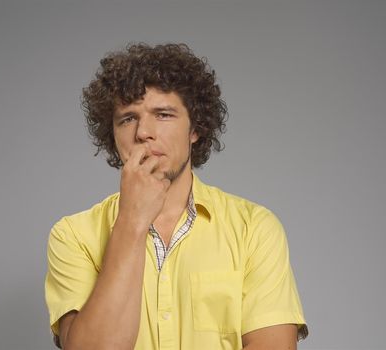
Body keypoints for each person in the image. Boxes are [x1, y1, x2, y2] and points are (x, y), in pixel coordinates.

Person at [45, 43, 308, 350]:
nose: (144, 132)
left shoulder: (254, 228)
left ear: (195, 128)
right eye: (128, 119)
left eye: (164, 114)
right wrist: (132, 220)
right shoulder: (73, 236)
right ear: (112, 134)